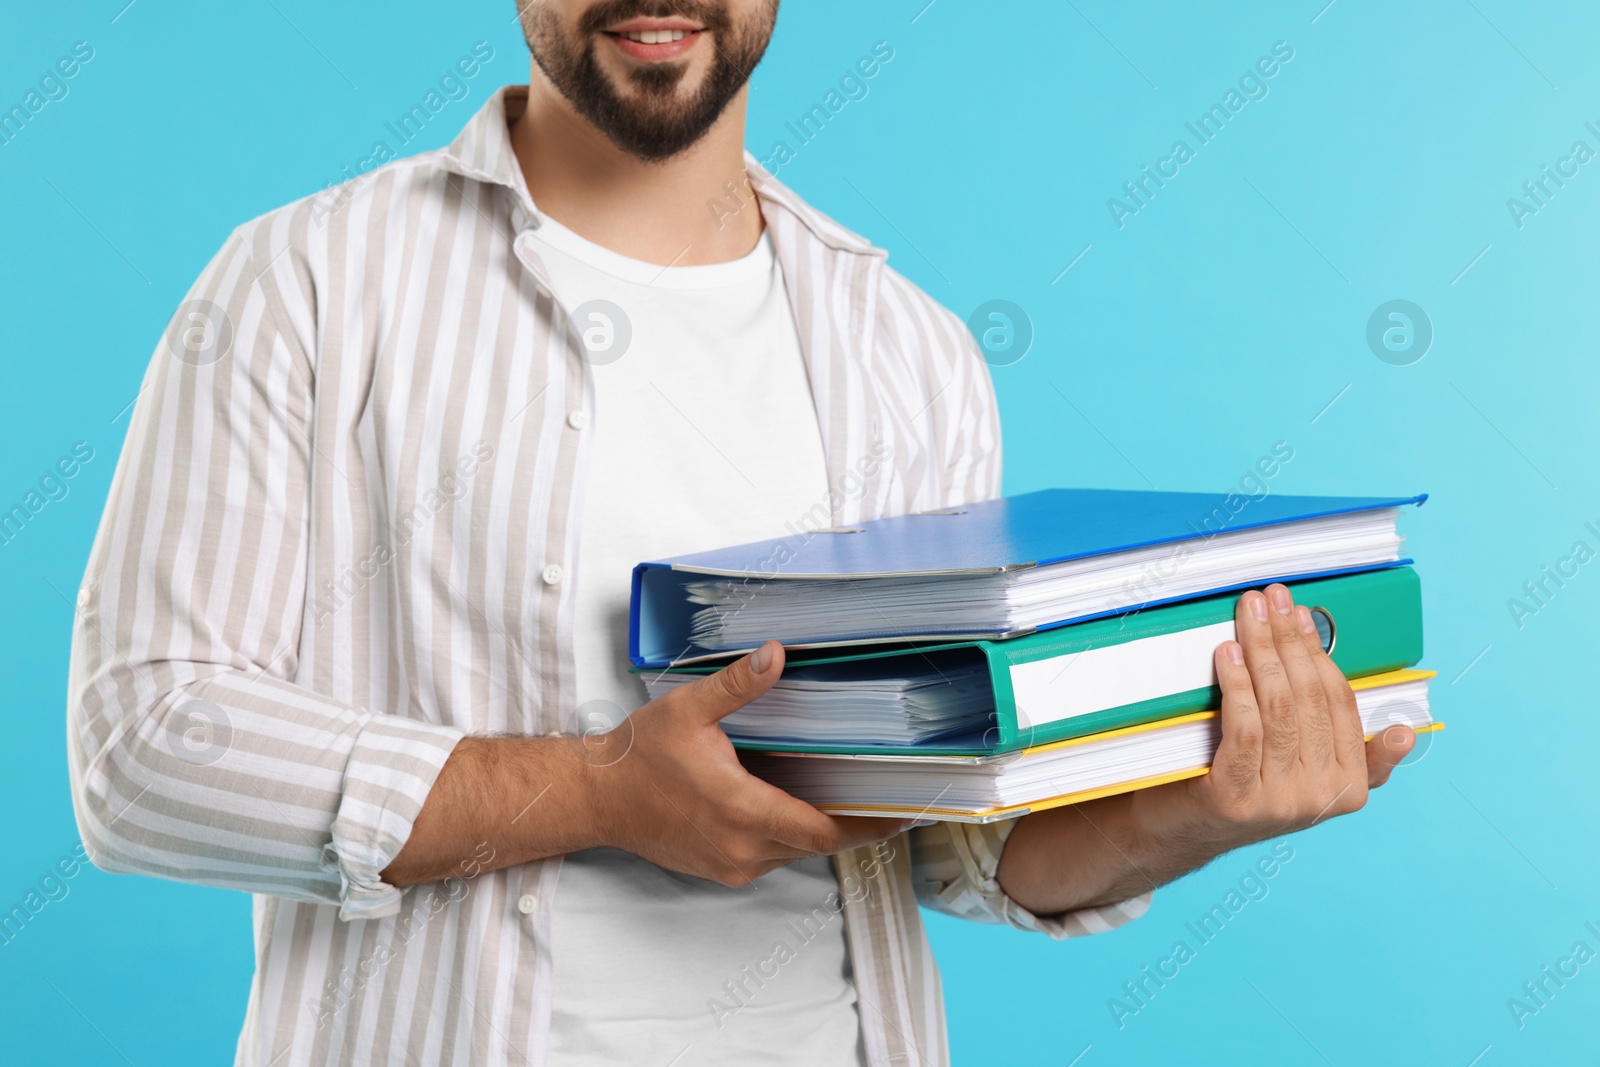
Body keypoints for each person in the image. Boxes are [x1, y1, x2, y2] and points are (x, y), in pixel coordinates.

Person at [66, 2, 1417, 1064]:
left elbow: (951, 842)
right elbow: (145, 749)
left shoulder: (911, 349)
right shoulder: (303, 283)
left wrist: (1195, 815)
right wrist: (596, 790)